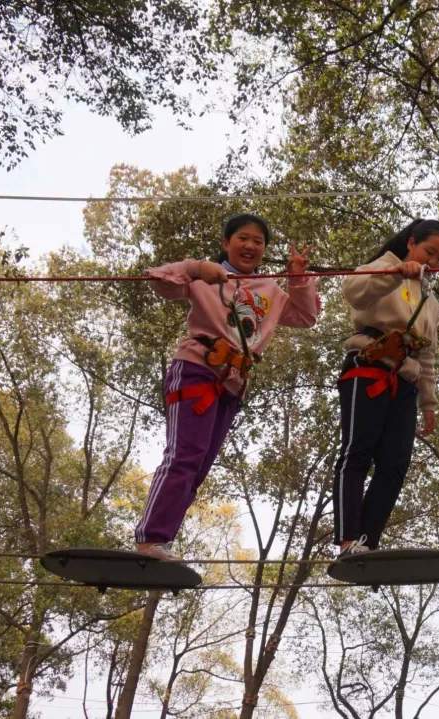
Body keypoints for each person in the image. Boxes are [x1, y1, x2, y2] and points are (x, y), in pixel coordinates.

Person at [136, 213, 320, 560]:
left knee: (201, 463)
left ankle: (162, 541)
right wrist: (196, 267)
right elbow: (159, 281)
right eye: (242, 238)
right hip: (196, 369)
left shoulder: (270, 290)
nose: (250, 246)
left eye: (258, 241)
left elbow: (306, 317)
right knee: (184, 455)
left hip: (232, 383)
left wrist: (298, 278)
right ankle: (150, 537)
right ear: (226, 243)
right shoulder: (207, 278)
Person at [334, 219, 439, 556]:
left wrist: (429, 403)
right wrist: (397, 272)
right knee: (358, 451)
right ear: (411, 243)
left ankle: (368, 542)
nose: (434, 263)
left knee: (395, 463)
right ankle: (347, 540)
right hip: (368, 367)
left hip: (405, 381)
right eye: (430, 252)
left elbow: (427, 354)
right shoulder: (381, 268)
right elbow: (353, 294)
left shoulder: (429, 300)